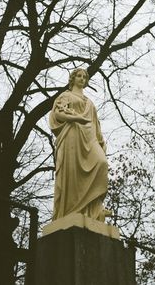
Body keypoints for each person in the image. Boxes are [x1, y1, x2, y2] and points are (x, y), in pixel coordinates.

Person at [49, 68, 109, 222]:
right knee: (73, 172)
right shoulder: (66, 96)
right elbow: (57, 114)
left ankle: (93, 210)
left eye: (84, 77)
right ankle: (73, 212)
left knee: (101, 163)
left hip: (90, 138)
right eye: (79, 76)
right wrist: (76, 119)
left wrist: (101, 142)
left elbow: (96, 125)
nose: (82, 79)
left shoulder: (89, 102)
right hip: (72, 137)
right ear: (73, 79)